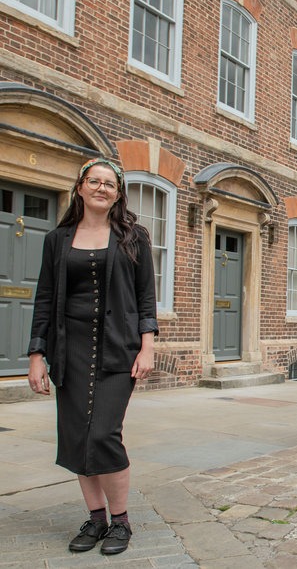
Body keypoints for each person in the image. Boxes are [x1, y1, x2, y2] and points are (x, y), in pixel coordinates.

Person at [27, 158, 158, 555]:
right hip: (70, 349)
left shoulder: (134, 236)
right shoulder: (58, 238)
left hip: (119, 347)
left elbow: (145, 297)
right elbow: (45, 298)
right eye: (94, 181)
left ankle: (120, 522)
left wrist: (148, 345)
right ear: (80, 187)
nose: (102, 188)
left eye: (110, 184)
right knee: (75, 436)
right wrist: (37, 353)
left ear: (118, 193)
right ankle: (96, 518)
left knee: (103, 433)